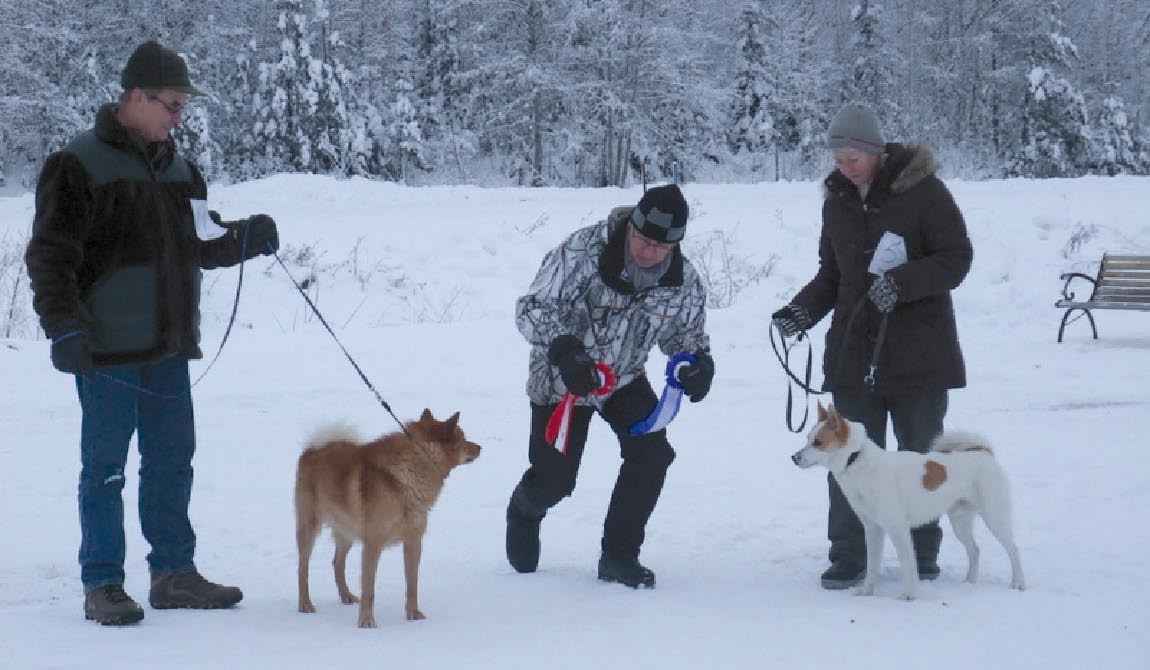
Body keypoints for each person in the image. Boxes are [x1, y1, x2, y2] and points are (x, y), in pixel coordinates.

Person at [24, 40, 280, 625]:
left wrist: (244, 240)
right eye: (171, 104)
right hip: (105, 347)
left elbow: (196, 246)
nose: (179, 116)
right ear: (135, 97)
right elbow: (50, 256)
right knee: (106, 468)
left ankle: (174, 574)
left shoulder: (181, 170)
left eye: (183, 106)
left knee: (172, 462)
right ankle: (104, 583)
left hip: (169, 347)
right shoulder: (77, 163)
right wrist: (62, 328)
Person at [771, 103, 973, 590]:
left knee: (919, 456)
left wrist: (903, 283)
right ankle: (849, 556)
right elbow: (833, 275)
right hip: (853, 353)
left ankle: (921, 553)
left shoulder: (925, 193)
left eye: (852, 157)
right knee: (844, 458)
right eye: (837, 158)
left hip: (919, 354)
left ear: (877, 151)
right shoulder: (836, 203)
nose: (843, 166)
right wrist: (801, 311)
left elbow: (956, 258)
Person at [506, 183, 715, 588]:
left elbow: (686, 339)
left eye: (660, 246)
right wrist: (565, 349)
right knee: (557, 480)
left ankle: (619, 556)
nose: (648, 250)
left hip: (625, 378)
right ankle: (524, 509)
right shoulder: (582, 251)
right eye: (642, 238)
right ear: (631, 224)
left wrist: (698, 364)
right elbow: (531, 308)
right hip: (562, 380)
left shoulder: (682, 280)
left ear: (676, 245)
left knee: (653, 455)